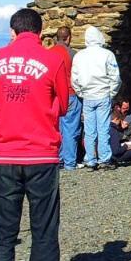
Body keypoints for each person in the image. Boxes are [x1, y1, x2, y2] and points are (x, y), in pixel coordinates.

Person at [0, 7, 73, 261]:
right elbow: (63, 104)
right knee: (44, 232)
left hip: (5, 156)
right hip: (41, 156)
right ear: (40, 32)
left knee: (4, 235)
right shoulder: (54, 60)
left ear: (12, 31)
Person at [71, 25, 120, 170]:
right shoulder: (107, 54)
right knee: (103, 128)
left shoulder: (79, 56)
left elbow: (74, 78)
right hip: (103, 94)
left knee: (89, 129)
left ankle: (90, 159)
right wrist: (111, 93)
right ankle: (104, 158)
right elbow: (115, 76)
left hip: (88, 96)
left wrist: (81, 92)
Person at [47, 27, 82, 170]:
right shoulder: (73, 54)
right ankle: (69, 162)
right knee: (71, 129)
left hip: (52, 96)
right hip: (70, 94)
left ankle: (57, 159)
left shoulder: (48, 54)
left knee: (56, 128)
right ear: (68, 38)